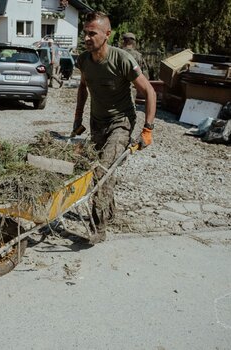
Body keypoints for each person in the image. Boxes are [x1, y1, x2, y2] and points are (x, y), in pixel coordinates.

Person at [72, 11, 156, 244]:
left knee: (101, 171)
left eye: (92, 33)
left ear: (107, 34)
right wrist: (77, 121)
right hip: (96, 122)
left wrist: (147, 130)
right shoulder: (84, 60)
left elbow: (149, 91)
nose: (87, 38)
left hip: (121, 123)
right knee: (100, 168)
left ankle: (98, 227)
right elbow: (82, 88)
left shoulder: (123, 60)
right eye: (85, 33)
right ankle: (108, 212)